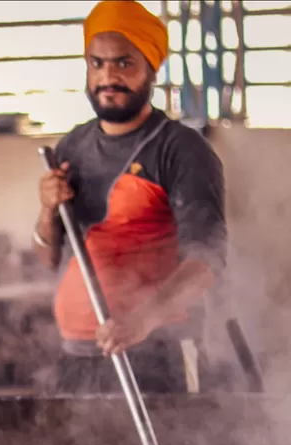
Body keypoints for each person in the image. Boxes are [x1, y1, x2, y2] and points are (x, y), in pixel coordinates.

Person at [32, 0, 227, 395]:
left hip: (158, 352)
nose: (109, 77)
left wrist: (143, 318)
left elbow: (208, 259)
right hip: (79, 356)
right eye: (97, 63)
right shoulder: (74, 145)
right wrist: (46, 209)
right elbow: (49, 257)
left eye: (124, 63)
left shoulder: (180, 150)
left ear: (151, 69)